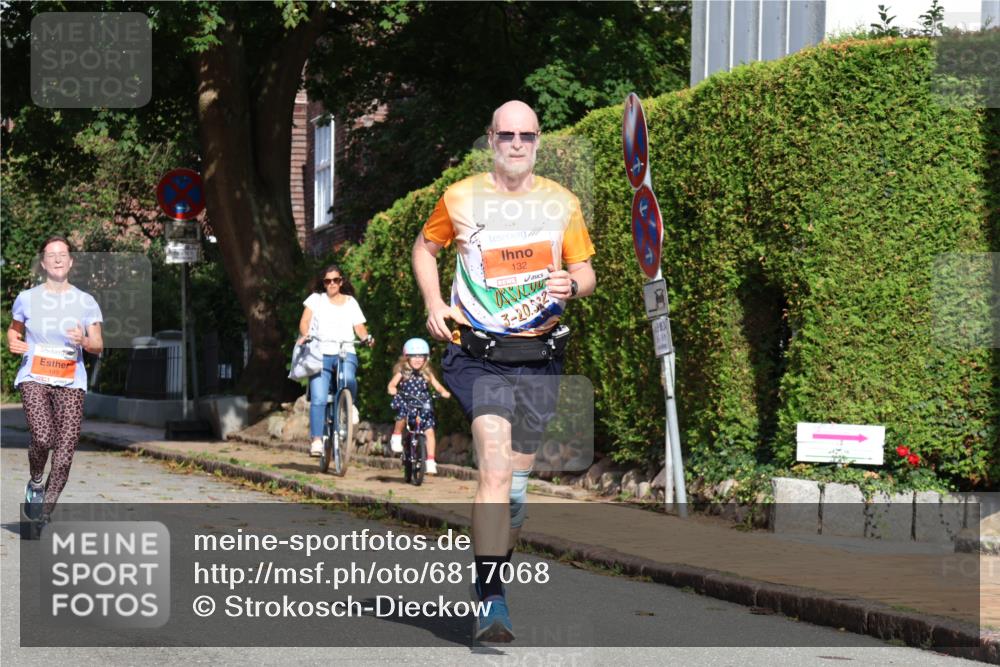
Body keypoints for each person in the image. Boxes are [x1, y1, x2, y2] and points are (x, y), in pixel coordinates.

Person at [411, 100, 596, 642]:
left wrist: (572, 284)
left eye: (528, 136)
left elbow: (586, 271)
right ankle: (491, 596)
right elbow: (425, 251)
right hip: (477, 355)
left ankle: (494, 570)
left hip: (540, 357)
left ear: (539, 142)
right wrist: (432, 302)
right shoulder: (461, 197)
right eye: (507, 135)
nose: (517, 144)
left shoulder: (562, 203)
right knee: (492, 466)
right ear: (490, 138)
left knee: (514, 489)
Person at [7, 236, 104, 533]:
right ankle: (36, 481)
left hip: (70, 381)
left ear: (71, 262)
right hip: (35, 376)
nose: (58, 259)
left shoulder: (85, 301)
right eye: (52, 254)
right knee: (43, 436)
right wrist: (13, 343)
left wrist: (84, 341)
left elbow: (98, 345)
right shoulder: (27, 298)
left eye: (63, 254)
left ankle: (42, 512)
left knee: (64, 454)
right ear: (44, 262)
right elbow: (13, 332)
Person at [298, 264, 374, 457]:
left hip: (344, 350)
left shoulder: (350, 302)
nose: (332, 284)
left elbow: (359, 327)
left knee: (348, 379)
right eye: (327, 281)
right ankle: (316, 440)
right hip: (319, 353)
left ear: (342, 281)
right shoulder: (316, 300)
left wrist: (366, 338)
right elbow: (305, 321)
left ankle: (349, 404)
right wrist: (305, 334)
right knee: (319, 398)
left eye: (335, 280)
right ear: (323, 283)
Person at [387, 337, 452, 475]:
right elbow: (392, 385)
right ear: (406, 358)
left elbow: (437, 385)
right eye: (414, 356)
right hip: (406, 400)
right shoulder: (403, 372)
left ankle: (430, 460)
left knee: (429, 431)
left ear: (426, 358)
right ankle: (397, 435)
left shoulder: (427, 374)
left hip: (423, 404)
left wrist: (443, 392)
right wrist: (392, 389)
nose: (417, 359)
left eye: (421, 356)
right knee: (402, 414)